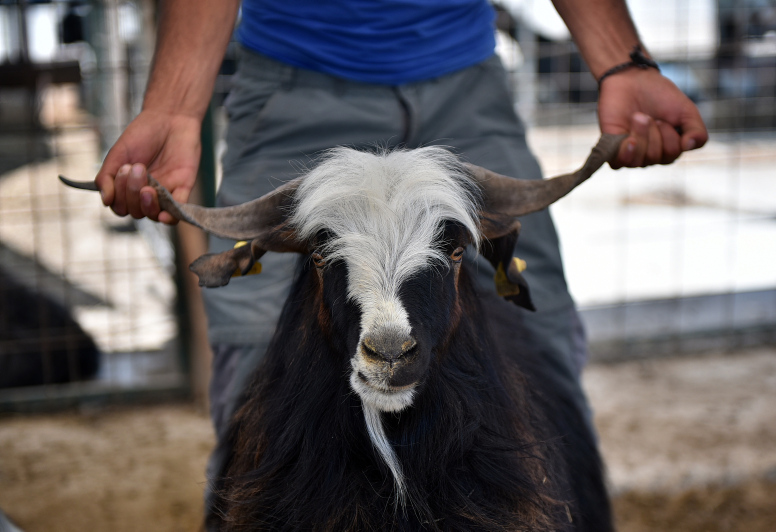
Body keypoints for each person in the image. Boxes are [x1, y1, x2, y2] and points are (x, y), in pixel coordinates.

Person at [93, 0, 707, 522]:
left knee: (540, 337)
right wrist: (174, 108)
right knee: (260, 363)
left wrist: (622, 62)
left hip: (467, 83)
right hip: (295, 86)